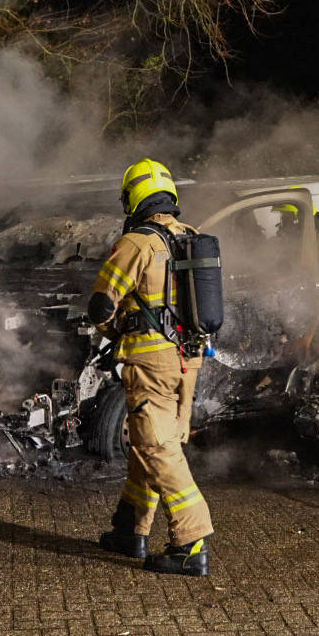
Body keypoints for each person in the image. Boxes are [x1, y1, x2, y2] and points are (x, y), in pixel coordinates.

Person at [90, 158, 214, 577]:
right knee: (151, 442)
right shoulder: (189, 238)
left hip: (151, 361)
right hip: (188, 358)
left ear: (132, 198)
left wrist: (114, 330)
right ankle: (131, 530)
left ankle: (191, 542)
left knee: (158, 448)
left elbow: (101, 305)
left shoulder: (137, 243)